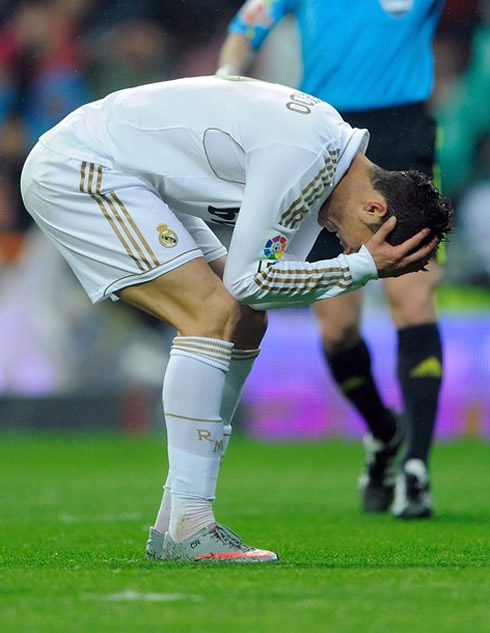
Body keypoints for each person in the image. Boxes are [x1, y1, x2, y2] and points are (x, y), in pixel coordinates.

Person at [20, 76, 450, 562]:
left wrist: (355, 267)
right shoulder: (305, 158)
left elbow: (265, 290)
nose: (350, 249)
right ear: (374, 207)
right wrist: (361, 268)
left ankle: (176, 522)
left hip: (135, 178)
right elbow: (249, 279)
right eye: (363, 242)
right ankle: (190, 523)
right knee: (211, 312)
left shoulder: (326, 159)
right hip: (81, 167)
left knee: (246, 320)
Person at [218, 0, 446, 519]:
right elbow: (249, 23)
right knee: (337, 328)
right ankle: (385, 433)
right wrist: (226, 79)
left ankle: (417, 468)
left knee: (414, 299)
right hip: (327, 145)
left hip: (405, 136)